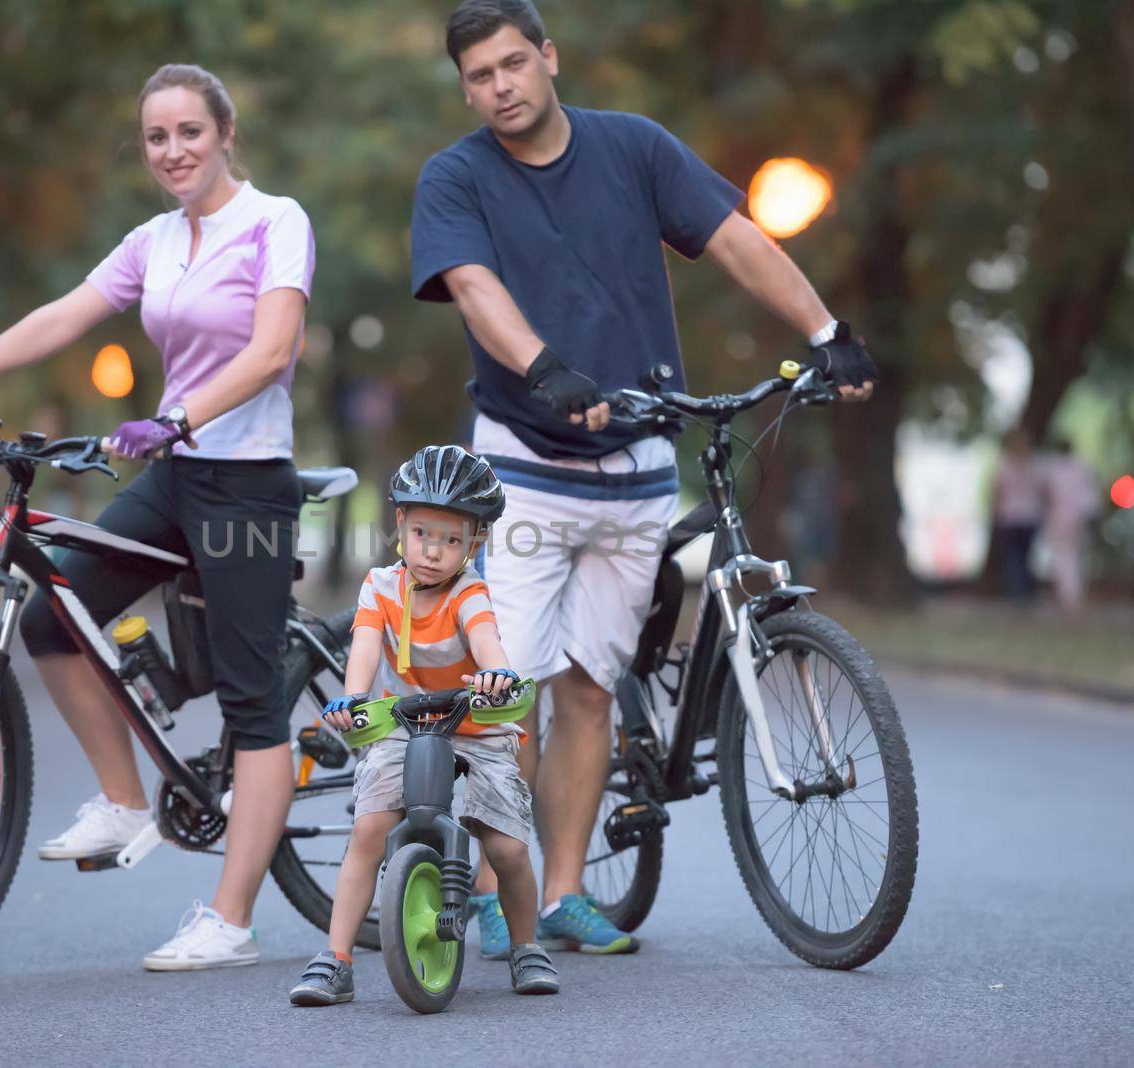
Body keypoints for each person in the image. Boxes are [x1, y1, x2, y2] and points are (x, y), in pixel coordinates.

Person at [409, 0, 879, 958]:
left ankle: (569, 893)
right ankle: (504, 891)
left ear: (549, 58)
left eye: (511, 65)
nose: (498, 87)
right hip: (524, 471)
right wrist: (545, 369)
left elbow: (738, 238)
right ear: (466, 89)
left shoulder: (634, 148)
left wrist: (826, 333)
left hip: (636, 470)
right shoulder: (455, 176)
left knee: (589, 688)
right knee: (510, 690)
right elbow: (472, 286)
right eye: (478, 77)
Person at [0, 63, 316, 972]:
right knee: (52, 618)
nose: (173, 151)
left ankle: (230, 919)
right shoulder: (155, 241)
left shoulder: (277, 222)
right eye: (156, 137)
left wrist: (178, 416)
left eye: (189, 132)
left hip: (244, 481)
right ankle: (123, 800)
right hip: (175, 471)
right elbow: (62, 316)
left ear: (225, 133)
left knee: (252, 702)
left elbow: (274, 351)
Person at [287, 446, 560, 1006]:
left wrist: (497, 674)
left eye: (452, 540)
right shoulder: (380, 587)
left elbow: (487, 640)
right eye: (422, 535)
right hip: (405, 719)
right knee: (369, 831)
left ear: (475, 543)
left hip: (474, 718)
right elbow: (363, 647)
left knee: (508, 849)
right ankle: (335, 959)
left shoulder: (469, 591)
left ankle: (527, 946)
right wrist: (354, 697)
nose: (434, 552)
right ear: (401, 526)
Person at [1040, 438, 1099, 611]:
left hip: (1061, 518)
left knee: (1064, 558)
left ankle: (1068, 595)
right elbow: (1089, 496)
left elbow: (1049, 496)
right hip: (1078, 518)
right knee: (1075, 557)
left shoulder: (1052, 469)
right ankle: (1072, 595)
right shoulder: (1082, 467)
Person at [991, 429, 1044, 602]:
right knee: (1024, 557)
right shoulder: (1035, 465)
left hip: (1011, 516)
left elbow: (997, 491)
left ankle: (1018, 594)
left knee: (1014, 557)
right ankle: (1025, 593)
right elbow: (1043, 491)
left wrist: (995, 512)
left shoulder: (1004, 465)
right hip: (1029, 515)